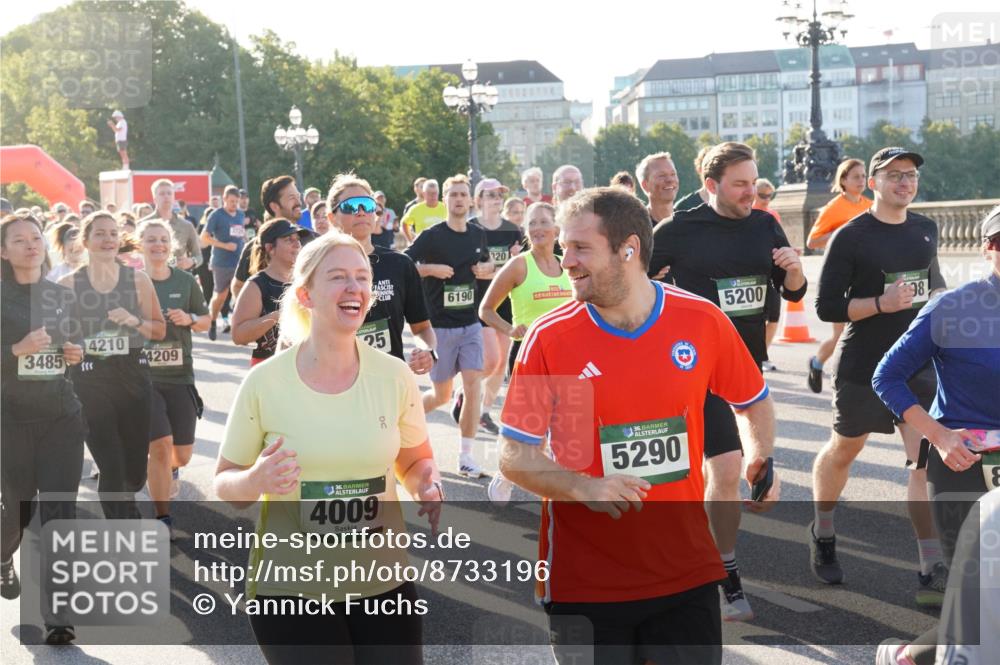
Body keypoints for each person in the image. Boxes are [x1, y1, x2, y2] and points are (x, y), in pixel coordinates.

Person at [499, 187, 779, 665]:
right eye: (565, 249)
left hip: (685, 569)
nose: (566, 261)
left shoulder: (701, 320)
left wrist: (761, 455)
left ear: (628, 249)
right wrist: (584, 487)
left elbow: (754, 400)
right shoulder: (551, 338)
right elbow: (513, 455)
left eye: (581, 248)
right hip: (586, 578)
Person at [214, 232, 442, 665]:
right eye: (337, 277)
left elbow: (414, 460)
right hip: (290, 588)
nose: (354, 287)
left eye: (362, 277)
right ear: (306, 294)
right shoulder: (265, 383)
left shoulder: (394, 376)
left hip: (383, 582)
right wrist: (254, 479)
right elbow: (227, 484)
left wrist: (425, 484)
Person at [648, 141, 805, 622]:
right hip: (691, 366)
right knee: (722, 466)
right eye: (739, 185)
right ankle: (724, 574)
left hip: (748, 364)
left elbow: (791, 291)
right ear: (711, 186)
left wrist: (796, 271)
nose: (749, 193)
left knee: (734, 468)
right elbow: (636, 284)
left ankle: (713, 562)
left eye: (754, 183)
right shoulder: (677, 230)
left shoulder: (766, 225)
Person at [812, 147, 947, 606]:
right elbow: (827, 307)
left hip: (917, 365)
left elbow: (935, 285)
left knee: (923, 461)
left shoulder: (925, 229)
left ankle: (931, 563)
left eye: (910, 176)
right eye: (894, 176)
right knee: (844, 451)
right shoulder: (851, 237)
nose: (904, 183)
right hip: (864, 365)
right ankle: (823, 526)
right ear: (873, 182)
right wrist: (879, 305)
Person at [871, 206, 1000, 665]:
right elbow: (887, 376)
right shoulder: (954, 306)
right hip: (961, 467)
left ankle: (908, 656)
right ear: (988, 248)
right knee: (978, 598)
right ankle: (908, 657)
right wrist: (941, 436)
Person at [1, 212, 86, 645]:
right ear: (3, 251)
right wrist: (16, 349)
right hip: (11, 420)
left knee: (59, 511)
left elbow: (73, 342)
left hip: (60, 418)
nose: (31, 245)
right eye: (19, 240)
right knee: (16, 510)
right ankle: (2, 555)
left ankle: (59, 615)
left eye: (36, 237)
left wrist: (73, 351)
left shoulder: (60, 294)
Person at [58, 211, 166, 521]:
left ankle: (127, 499)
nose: (107, 239)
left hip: (133, 379)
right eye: (100, 234)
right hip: (90, 384)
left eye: (112, 233)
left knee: (133, 471)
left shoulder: (137, 279)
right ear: (86, 241)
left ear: (119, 240)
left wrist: (134, 321)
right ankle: (124, 527)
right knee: (112, 466)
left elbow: (159, 330)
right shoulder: (68, 284)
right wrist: (67, 347)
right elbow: (57, 336)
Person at [479, 201, 571, 504]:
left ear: (557, 228)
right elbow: (486, 309)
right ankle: (507, 472)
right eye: (532, 223)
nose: (538, 228)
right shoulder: (519, 265)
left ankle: (557, 492)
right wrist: (509, 329)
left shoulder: (567, 264)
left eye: (544, 222)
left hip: (566, 355)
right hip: (529, 353)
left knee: (563, 427)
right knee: (532, 429)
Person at [405, 174, 494, 477]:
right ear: (445, 200)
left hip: (470, 323)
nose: (458, 199)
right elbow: (404, 265)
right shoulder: (432, 236)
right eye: (453, 194)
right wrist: (429, 268)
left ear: (471, 200)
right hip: (439, 326)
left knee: (474, 387)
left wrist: (486, 269)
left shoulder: (478, 234)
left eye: (463, 194)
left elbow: (486, 266)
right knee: (441, 395)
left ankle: (466, 456)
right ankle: (401, 417)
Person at [137, 220, 210, 539]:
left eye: (163, 240)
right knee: (161, 448)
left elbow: (207, 321)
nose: (158, 245)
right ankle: (162, 515)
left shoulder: (186, 280)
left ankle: (169, 470)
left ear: (171, 245)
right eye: (151, 239)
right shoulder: (129, 283)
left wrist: (189, 319)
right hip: (143, 380)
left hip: (180, 377)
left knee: (181, 454)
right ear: (140, 244)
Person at [328, 174, 436, 370]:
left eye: (367, 205)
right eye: (351, 206)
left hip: (388, 379)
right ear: (332, 217)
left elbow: (422, 328)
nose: (361, 212)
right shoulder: (319, 266)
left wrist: (426, 351)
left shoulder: (400, 264)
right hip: (335, 380)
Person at [457, 178, 525, 437]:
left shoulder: (512, 230)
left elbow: (515, 265)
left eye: (500, 194)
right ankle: (465, 392)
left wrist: (497, 269)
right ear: (479, 200)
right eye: (491, 194)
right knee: (491, 359)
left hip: (507, 301)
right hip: (480, 302)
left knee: (501, 364)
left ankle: (484, 411)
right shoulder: (470, 228)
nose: (497, 198)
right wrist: (490, 271)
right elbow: (472, 269)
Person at [807, 158, 873, 393]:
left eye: (864, 176)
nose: (861, 181)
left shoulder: (869, 204)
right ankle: (819, 364)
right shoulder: (834, 207)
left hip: (866, 275)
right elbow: (812, 241)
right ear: (843, 180)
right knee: (841, 334)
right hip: (841, 276)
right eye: (855, 177)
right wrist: (839, 233)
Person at [231, 219, 309, 367]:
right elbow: (238, 336)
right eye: (288, 240)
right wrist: (277, 316)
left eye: (297, 239)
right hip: (268, 368)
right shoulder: (257, 285)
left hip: (305, 366)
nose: (296, 244)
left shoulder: (306, 280)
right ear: (270, 248)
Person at [232, 175, 302, 299]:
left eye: (298, 197)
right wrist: (253, 314)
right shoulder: (255, 247)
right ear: (274, 206)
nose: (299, 202)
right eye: (292, 198)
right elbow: (238, 286)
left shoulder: (312, 240)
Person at [200, 185, 246, 340]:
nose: (234, 204)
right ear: (224, 199)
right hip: (221, 262)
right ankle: (212, 321)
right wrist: (225, 245)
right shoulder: (216, 215)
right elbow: (204, 238)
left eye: (236, 201)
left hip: (239, 260)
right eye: (231, 201)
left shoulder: (240, 214)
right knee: (221, 295)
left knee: (242, 293)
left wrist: (245, 245)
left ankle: (240, 327)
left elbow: (240, 234)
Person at [753, 177, 784, 371]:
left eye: (769, 196)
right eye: (762, 195)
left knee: (773, 317)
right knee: (757, 319)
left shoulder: (772, 216)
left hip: (771, 274)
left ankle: (763, 355)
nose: (766, 199)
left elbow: (779, 241)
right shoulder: (747, 214)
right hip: (754, 275)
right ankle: (754, 356)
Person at [140, 179, 203, 271]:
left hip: (178, 277)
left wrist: (192, 261)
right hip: (150, 276)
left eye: (169, 193)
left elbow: (198, 256)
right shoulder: (143, 224)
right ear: (155, 199)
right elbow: (135, 255)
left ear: (174, 198)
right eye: (162, 194)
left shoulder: (186, 225)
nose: (166, 196)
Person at [637, 152, 680, 224]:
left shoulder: (686, 224)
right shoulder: (637, 225)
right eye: (661, 175)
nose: (670, 180)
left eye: (673, 174)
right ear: (645, 185)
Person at [400, 179, 447, 243]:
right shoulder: (415, 209)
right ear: (424, 194)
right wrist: (411, 241)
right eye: (430, 193)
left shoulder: (445, 207)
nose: (433, 196)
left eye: (435, 193)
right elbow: (404, 223)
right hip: (423, 247)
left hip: (442, 245)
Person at [674, 145, 713, 212]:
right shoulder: (684, 206)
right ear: (699, 169)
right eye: (708, 167)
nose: (713, 172)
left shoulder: (731, 203)